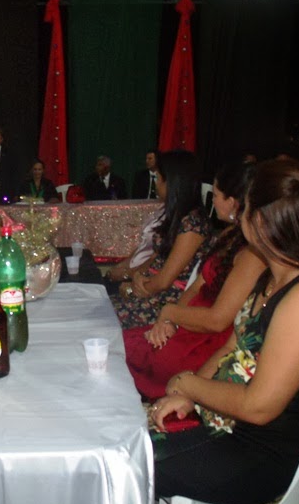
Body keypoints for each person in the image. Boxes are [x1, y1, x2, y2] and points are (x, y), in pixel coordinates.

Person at [148, 158, 299, 504]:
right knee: (127, 441)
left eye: (245, 208)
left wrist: (186, 384)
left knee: (126, 465)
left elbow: (259, 407)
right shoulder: (274, 278)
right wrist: (192, 394)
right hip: (233, 432)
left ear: (260, 220)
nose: (239, 215)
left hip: (263, 457)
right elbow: (231, 347)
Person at [123, 162, 266, 401]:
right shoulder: (229, 236)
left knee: (130, 351)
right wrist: (169, 321)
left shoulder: (251, 255)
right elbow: (197, 285)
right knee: (124, 342)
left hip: (206, 340)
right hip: (188, 322)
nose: (212, 201)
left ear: (233, 202)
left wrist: (170, 313)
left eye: (216, 196)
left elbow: (218, 320)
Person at [111, 150, 212, 329]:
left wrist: (134, 289)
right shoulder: (176, 215)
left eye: (158, 178)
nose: (156, 184)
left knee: (105, 316)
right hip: (152, 288)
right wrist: (136, 276)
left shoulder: (193, 223)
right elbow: (157, 257)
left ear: (172, 182)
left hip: (167, 299)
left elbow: (165, 280)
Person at [104, 159, 167, 292]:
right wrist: (123, 265)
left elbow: (155, 259)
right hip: (136, 268)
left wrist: (128, 274)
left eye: (159, 179)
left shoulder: (179, 220)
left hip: (144, 276)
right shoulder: (162, 209)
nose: (156, 183)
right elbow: (143, 245)